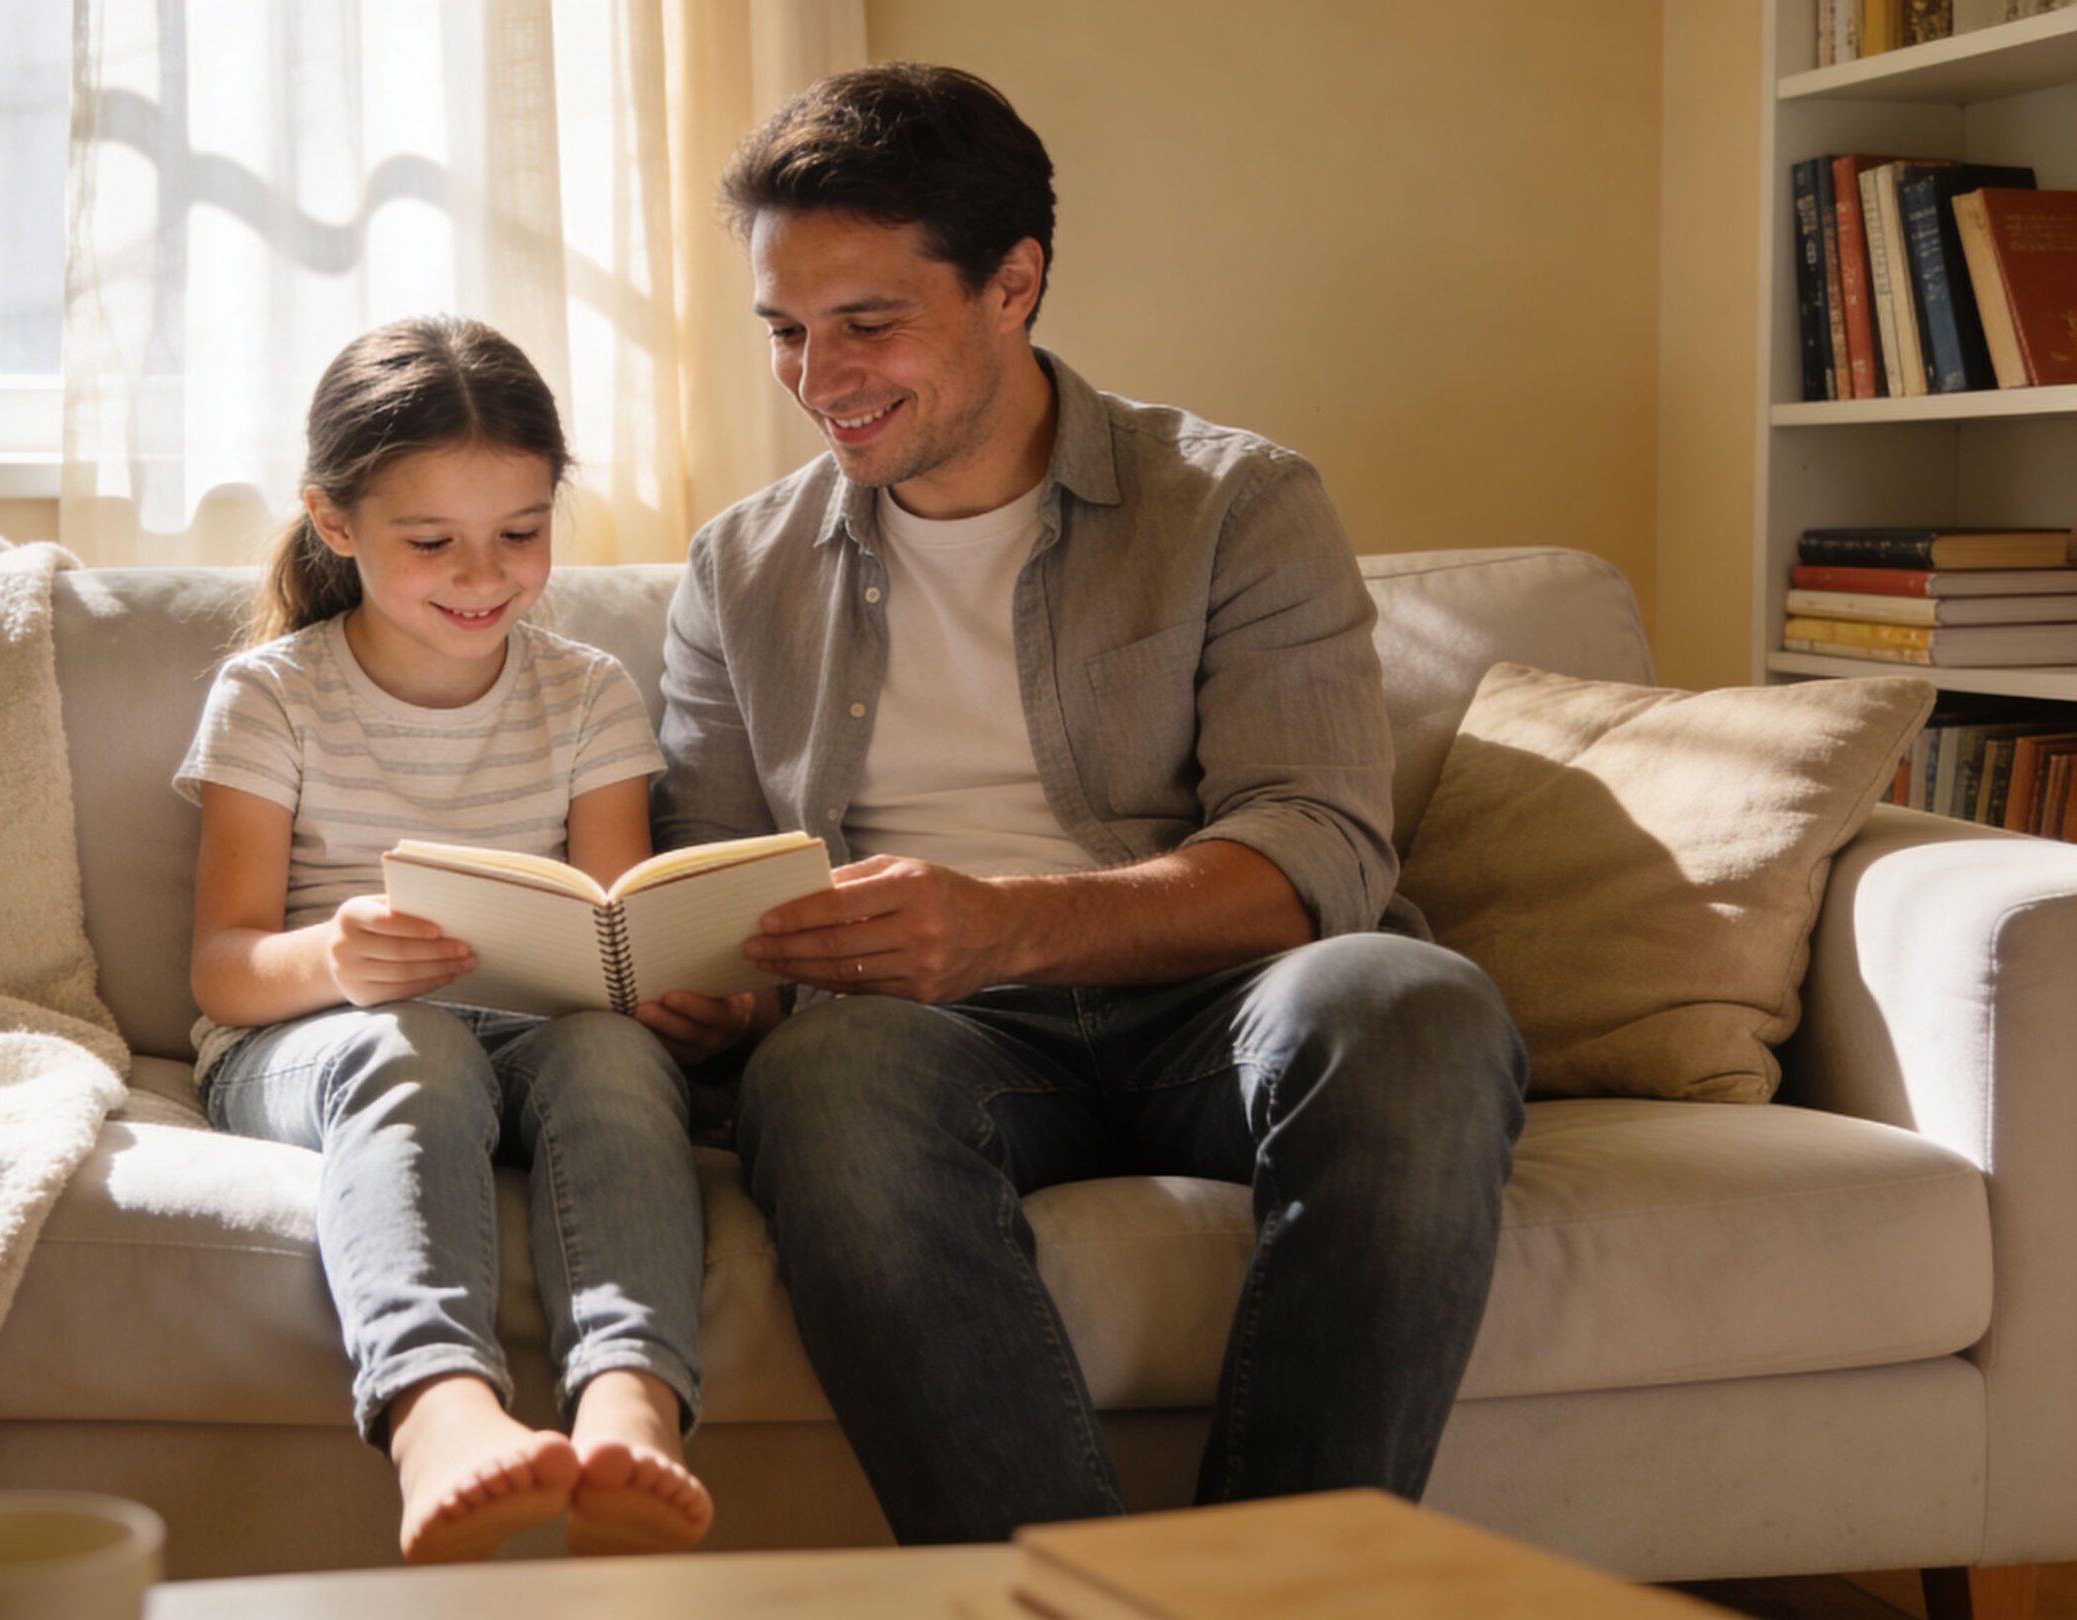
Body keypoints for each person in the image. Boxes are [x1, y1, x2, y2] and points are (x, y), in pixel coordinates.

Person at [632, 64, 1530, 1544]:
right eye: (785, 331)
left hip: (1218, 1008)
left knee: (1413, 1004)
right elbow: (719, 885)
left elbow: (1320, 853)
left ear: (1014, 284)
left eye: (868, 322)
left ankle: (1283, 1585)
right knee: (821, 1082)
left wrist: (1002, 925)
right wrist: (710, 992)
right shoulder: (739, 569)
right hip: (926, 1046)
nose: (817, 374)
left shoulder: (1238, 504)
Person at [176, 315, 718, 1563]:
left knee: (618, 1064)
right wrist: (333, 960)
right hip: (317, 1043)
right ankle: (437, 1413)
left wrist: (665, 990)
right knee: (410, 1043)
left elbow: (617, 926)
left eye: (521, 535)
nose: (485, 576)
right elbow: (220, 966)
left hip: (535, 1036)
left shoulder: (585, 692)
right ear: (337, 523)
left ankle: (631, 1408)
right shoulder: (273, 696)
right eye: (433, 544)